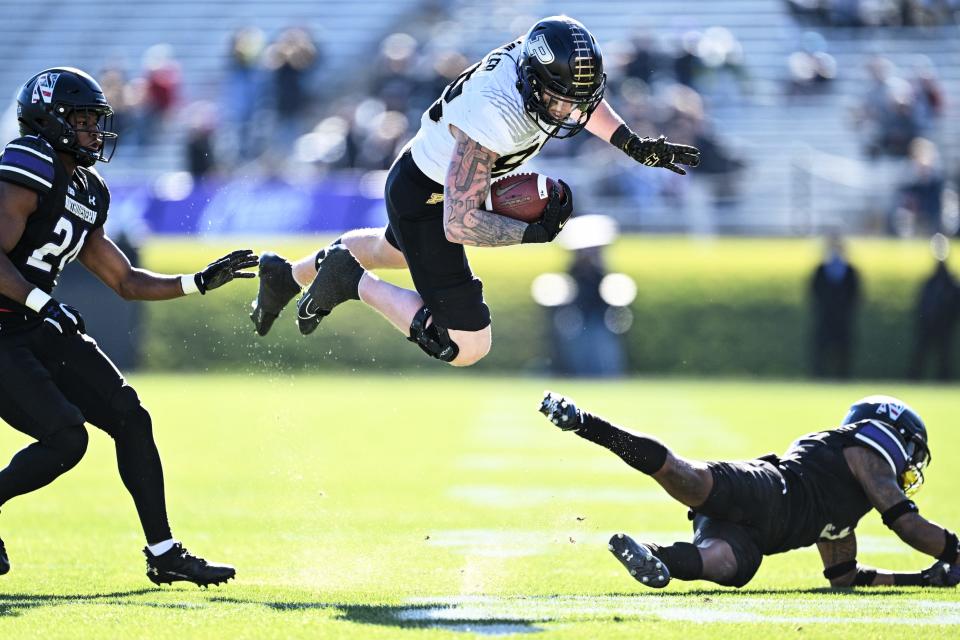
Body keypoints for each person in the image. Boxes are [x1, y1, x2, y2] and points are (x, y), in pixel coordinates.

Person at [250, 15, 700, 366]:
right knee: (466, 343)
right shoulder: (494, 113)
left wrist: (632, 144)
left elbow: (582, 97)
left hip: (420, 176)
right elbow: (460, 222)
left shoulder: (541, 61)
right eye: (558, 99)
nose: (568, 112)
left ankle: (285, 276)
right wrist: (532, 234)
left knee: (390, 250)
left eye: (574, 99)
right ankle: (351, 281)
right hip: (428, 197)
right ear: (531, 81)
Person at [0, 68, 258, 586]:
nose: (94, 132)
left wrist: (197, 282)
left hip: (35, 320)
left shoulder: (87, 188)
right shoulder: (26, 163)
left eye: (97, 120)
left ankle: (164, 553)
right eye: (82, 120)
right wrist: (42, 303)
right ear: (48, 120)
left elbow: (124, 279)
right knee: (66, 439)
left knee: (130, 417)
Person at [539, 391, 960, 590]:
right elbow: (908, 526)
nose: (908, 463)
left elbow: (846, 578)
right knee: (684, 475)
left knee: (726, 567)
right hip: (765, 488)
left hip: (757, 537)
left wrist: (923, 579)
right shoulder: (867, 452)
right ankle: (585, 422)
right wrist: (956, 553)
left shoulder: (844, 519)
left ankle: (652, 554)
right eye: (909, 450)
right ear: (891, 435)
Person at [908, 234, 960, 380]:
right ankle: (914, 379)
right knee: (921, 355)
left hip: (944, 326)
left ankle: (943, 381)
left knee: (944, 358)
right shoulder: (930, 281)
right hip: (928, 325)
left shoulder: (950, 283)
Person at [810, 234, 860, 378]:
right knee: (820, 352)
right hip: (824, 318)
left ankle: (843, 378)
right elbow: (814, 293)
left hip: (844, 319)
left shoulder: (850, 271)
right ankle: (818, 378)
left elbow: (855, 295)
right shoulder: (820, 270)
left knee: (844, 352)